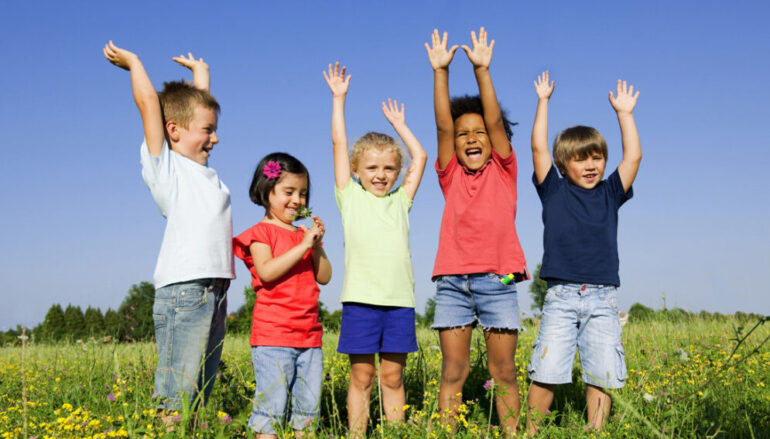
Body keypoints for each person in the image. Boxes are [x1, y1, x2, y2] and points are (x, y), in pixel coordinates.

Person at [103, 42, 233, 415]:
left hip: (215, 288)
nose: (216, 138)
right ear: (173, 130)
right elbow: (149, 105)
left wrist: (201, 74)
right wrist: (134, 63)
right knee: (176, 392)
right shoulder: (167, 169)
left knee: (201, 391)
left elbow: (197, 107)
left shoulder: (203, 174)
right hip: (185, 290)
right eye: (208, 131)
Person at [425, 28, 528, 433]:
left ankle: (513, 432)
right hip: (452, 282)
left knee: (503, 371)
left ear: (494, 140)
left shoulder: (504, 170)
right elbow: (442, 129)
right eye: (464, 132)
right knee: (454, 371)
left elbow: (495, 121)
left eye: (479, 132)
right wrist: (440, 73)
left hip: (498, 279)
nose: (471, 137)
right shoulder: (449, 174)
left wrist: (482, 70)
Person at [526, 71, 641, 433]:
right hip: (561, 296)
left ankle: (596, 431)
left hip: (603, 297)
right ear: (563, 166)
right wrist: (543, 102)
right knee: (547, 370)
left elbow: (634, 157)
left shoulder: (610, 193)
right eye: (581, 159)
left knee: (602, 371)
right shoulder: (553, 191)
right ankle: (531, 431)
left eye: (597, 158)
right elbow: (538, 149)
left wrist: (625, 114)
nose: (591, 165)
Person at [323, 62, 428, 437]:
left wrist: (400, 127)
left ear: (397, 172)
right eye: (371, 167)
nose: (381, 174)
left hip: (399, 302)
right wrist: (339, 99)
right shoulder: (349, 198)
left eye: (388, 167)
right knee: (362, 375)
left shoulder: (402, 200)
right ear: (355, 170)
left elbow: (422, 158)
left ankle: (396, 433)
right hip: (361, 302)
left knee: (392, 375)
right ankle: (356, 433)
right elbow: (338, 142)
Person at [233, 153, 332, 438]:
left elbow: (324, 276)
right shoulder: (260, 233)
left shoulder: (304, 235)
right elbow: (267, 272)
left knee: (308, 412)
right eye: (288, 192)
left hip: (310, 336)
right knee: (271, 411)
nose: (297, 200)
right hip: (273, 337)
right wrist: (303, 246)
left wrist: (315, 246)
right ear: (266, 191)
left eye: (303, 193)